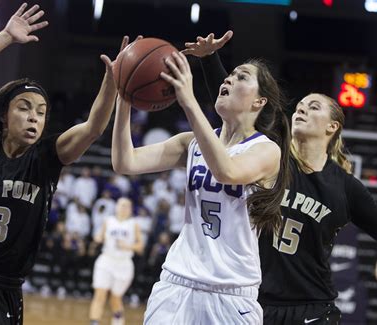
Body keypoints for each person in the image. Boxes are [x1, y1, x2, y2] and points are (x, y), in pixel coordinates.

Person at [0, 4, 132, 324]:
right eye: (24, 107)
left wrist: (111, 84)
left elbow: (94, 128)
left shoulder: (45, 158)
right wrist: (5, 36)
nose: (34, 117)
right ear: (4, 114)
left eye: (41, 112)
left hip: (2, 290)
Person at [188, 30, 377, 325]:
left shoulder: (346, 187)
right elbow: (238, 106)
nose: (302, 110)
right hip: (254, 301)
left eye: (314, 107)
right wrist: (208, 59)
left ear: (332, 127)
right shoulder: (271, 155)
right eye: (301, 106)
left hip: (312, 307)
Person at [112, 43, 291, 323]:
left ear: (259, 101)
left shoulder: (267, 150)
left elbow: (227, 171)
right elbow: (126, 162)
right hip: (177, 283)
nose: (229, 79)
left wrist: (188, 100)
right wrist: (124, 95)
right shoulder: (191, 144)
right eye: (229, 75)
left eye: (242, 76)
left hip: (231, 292)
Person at [89, 197, 144, 325]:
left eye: (127, 206)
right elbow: (99, 236)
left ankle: (118, 321)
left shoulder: (134, 224)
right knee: (100, 295)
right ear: (116, 207)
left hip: (124, 263)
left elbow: (140, 247)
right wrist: (97, 239)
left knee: (115, 298)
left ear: (130, 209)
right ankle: (94, 322)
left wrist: (128, 246)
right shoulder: (108, 221)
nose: (123, 208)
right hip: (106, 260)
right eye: (121, 205)